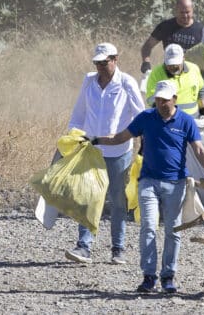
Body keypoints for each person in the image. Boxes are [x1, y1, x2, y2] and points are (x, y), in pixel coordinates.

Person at [91, 80, 204, 294]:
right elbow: (121, 137)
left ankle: (168, 276)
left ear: (175, 100)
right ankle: (149, 276)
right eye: (158, 100)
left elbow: (199, 150)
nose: (161, 104)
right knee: (148, 227)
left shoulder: (187, 121)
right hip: (148, 182)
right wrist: (96, 140)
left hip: (176, 183)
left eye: (165, 100)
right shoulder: (146, 118)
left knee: (173, 230)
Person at [64, 43, 145, 265]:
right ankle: (84, 246)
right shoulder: (89, 81)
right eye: (97, 63)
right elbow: (78, 113)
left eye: (104, 62)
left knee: (117, 200)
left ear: (115, 59)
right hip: (90, 149)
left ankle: (118, 248)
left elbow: (140, 116)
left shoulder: (127, 82)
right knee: (88, 197)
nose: (100, 66)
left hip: (119, 151)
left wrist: (143, 143)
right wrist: (72, 137)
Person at [139, 0, 204, 74]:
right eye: (182, 12)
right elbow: (147, 46)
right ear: (176, 11)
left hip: (191, 74)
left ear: (192, 11)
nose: (185, 15)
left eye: (187, 12)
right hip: (170, 71)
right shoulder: (166, 27)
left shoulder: (201, 30)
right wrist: (146, 63)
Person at [145, 44, 204, 117]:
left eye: (176, 64)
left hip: (193, 118)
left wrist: (203, 109)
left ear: (183, 58)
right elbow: (151, 98)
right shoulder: (156, 73)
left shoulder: (194, 68)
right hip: (168, 121)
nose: (173, 67)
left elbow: (201, 90)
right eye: (170, 64)